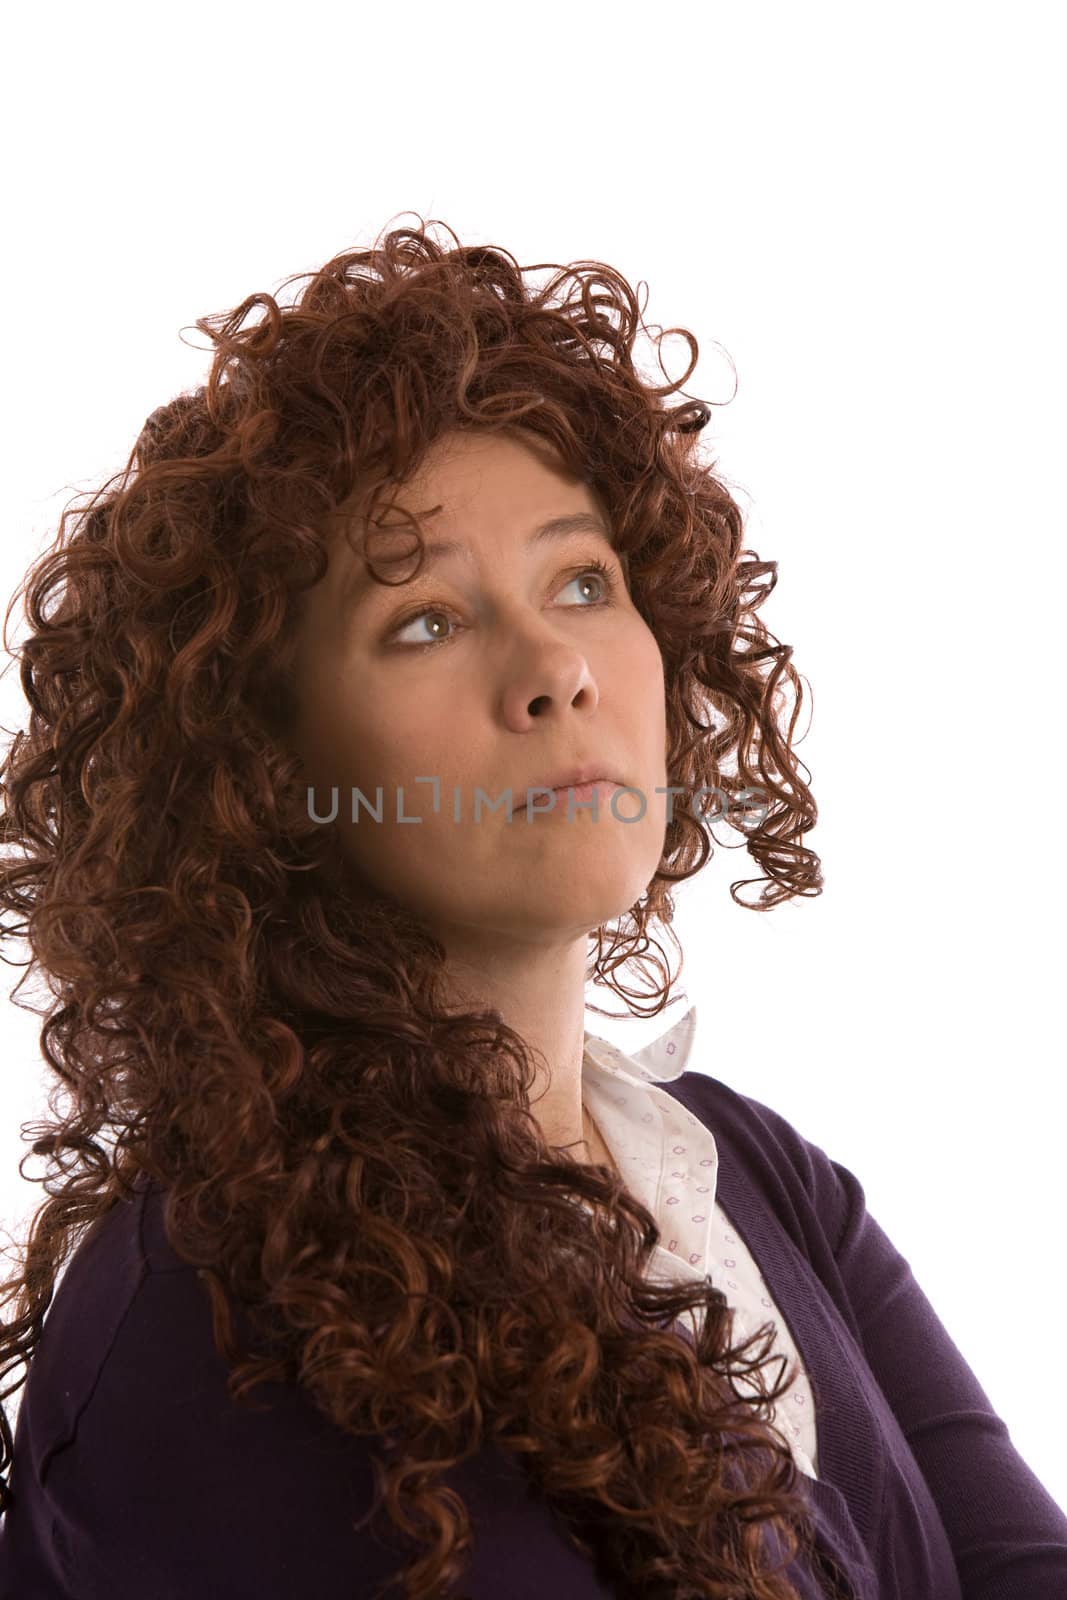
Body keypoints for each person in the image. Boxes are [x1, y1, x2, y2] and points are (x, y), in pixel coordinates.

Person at [0, 215, 1064, 1600]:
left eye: (583, 580)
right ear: (268, 772)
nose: (556, 667)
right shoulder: (217, 1326)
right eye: (427, 622)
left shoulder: (753, 1177)